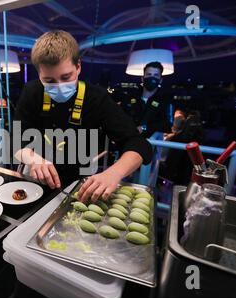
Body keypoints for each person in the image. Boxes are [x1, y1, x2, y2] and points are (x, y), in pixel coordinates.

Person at [13, 30, 152, 203]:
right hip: (36, 179)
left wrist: (113, 173)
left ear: (78, 66)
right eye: (49, 81)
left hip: (79, 183)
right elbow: (16, 140)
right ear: (39, 74)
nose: (59, 87)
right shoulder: (32, 92)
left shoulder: (96, 97)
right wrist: (33, 159)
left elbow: (138, 144)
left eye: (66, 77)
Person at [122, 61, 172, 138]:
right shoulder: (130, 97)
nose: (152, 78)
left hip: (150, 144)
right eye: (149, 74)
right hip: (126, 140)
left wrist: (144, 128)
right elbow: (121, 116)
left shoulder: (165, 101)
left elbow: (167, 125)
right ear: (142, 78)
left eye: (156, 75)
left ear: (160, 80)